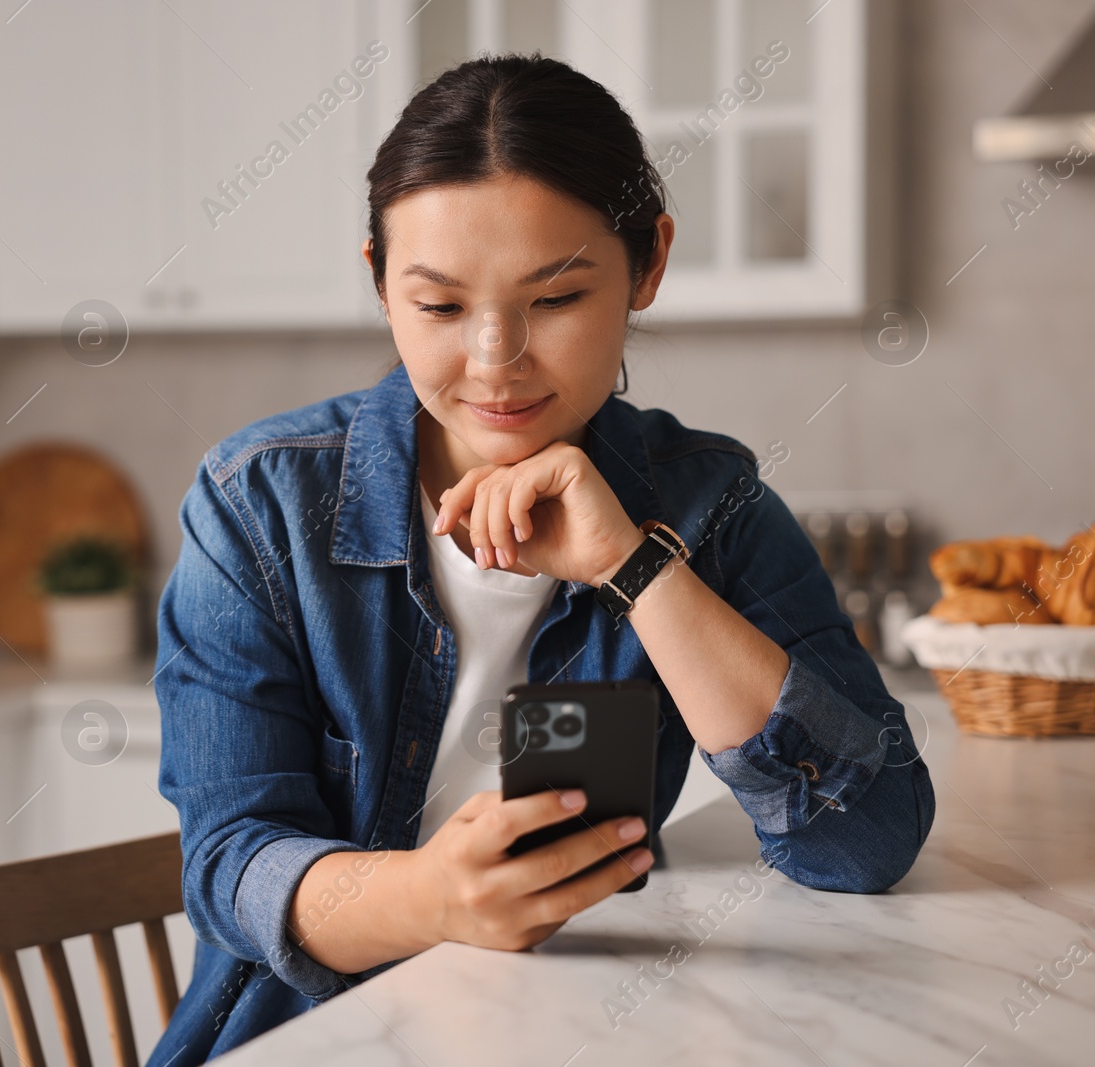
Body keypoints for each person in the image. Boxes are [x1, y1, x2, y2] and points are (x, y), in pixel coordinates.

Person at [148, 53, 934, 1065]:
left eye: (554, 299)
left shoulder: (709, 503)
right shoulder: (256, 504)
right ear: (380, 281)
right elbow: (229, 865)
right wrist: (436, 895)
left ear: (647, 263)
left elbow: (865, 841)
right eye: (437, 306)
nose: (492, 359)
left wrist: (633, 564)